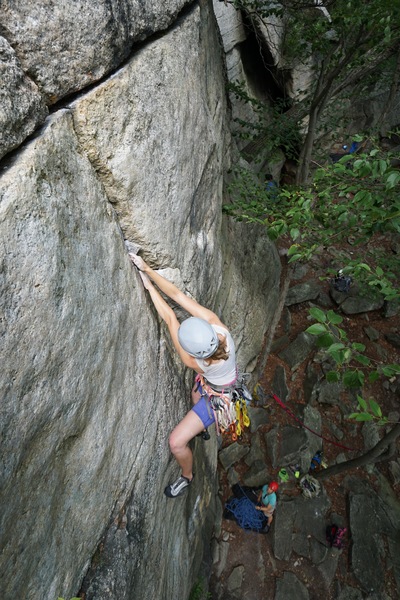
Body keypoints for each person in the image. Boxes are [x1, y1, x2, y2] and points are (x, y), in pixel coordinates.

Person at [129, 253, 237, 498]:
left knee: (176, 442)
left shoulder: (195, 362)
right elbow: (177, 295)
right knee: (195, 393)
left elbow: (170, 318)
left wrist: (148, 285)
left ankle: (187, 476)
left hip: (217, 399)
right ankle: (201, 427)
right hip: (217, 385)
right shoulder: (219, 328)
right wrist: (145, 268)